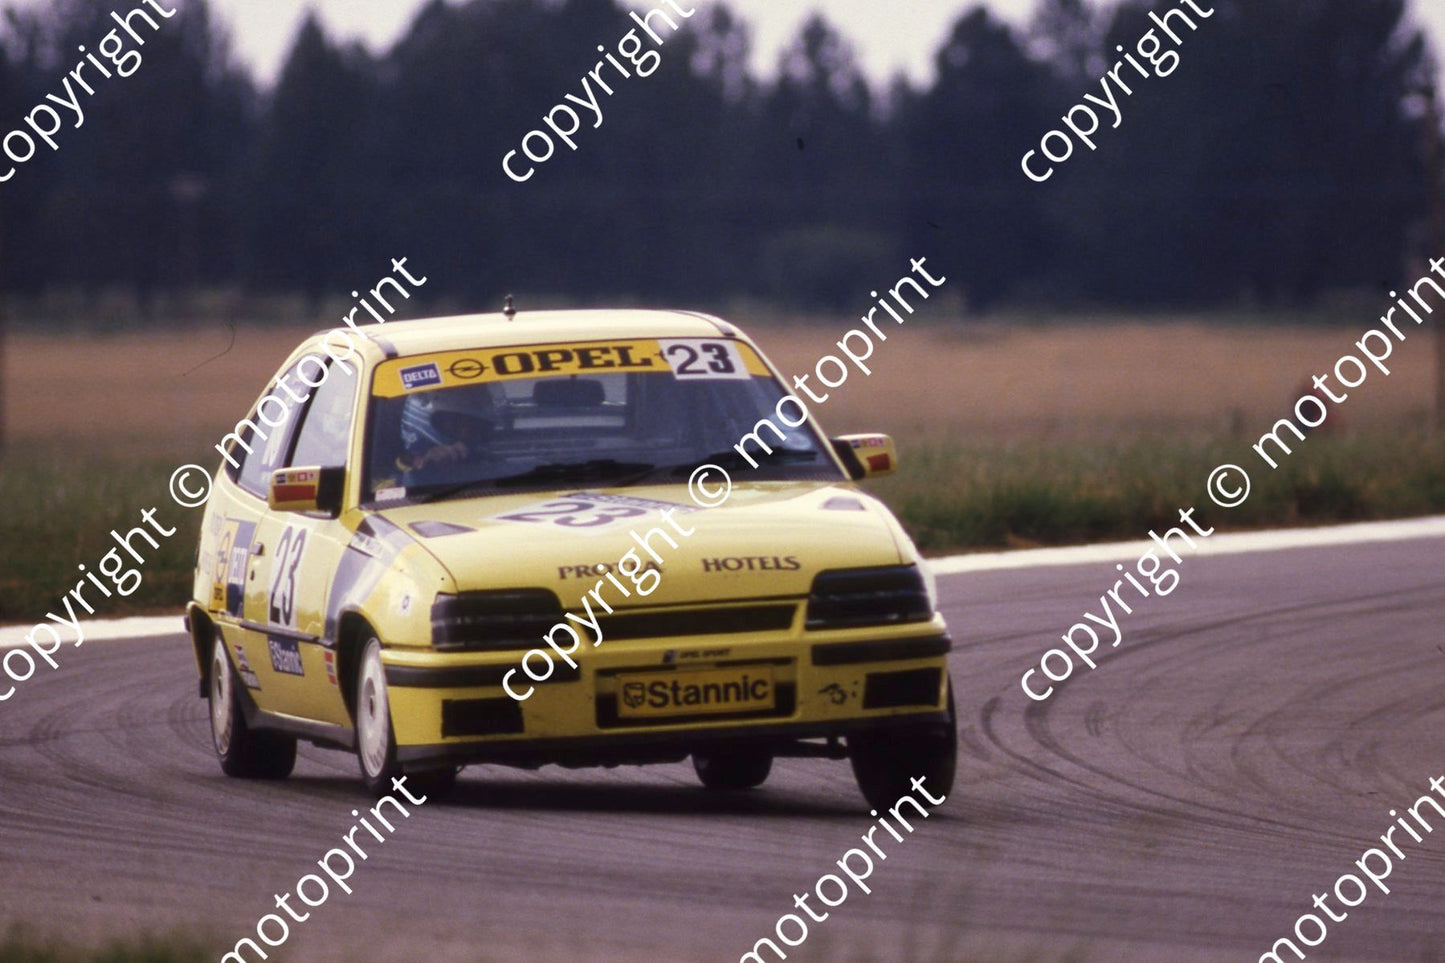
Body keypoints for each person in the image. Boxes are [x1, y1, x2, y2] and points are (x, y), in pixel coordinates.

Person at [396, 385, 497, 473]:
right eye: (457, 423)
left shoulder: (489, 459)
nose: (467, 432)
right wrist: (429, 466)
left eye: (473, 424)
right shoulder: (398, 480)